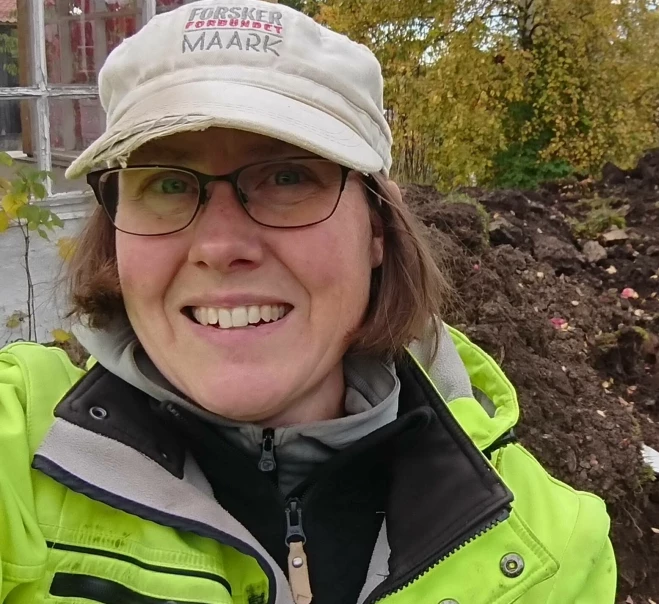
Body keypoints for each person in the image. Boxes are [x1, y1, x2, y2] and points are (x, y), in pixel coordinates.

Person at [0, 0, 617, 602]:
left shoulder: (548, 555)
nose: (219, 246)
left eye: (287, 177)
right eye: (164, 182)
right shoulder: (17, 454)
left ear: (377, 227)